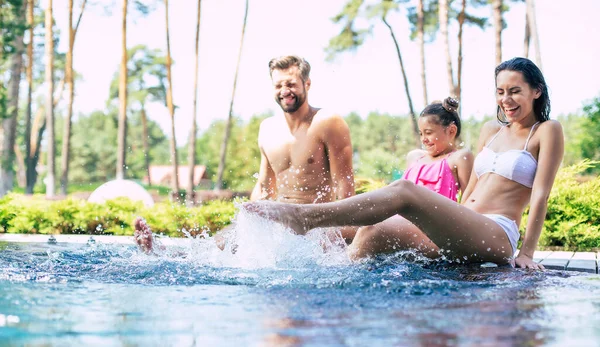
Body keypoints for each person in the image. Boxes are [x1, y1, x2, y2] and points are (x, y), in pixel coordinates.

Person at [243, 57, 564, 270]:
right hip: (467, 224)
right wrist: (452, 221)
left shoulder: (546, 131)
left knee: (405, 192)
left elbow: (540, 195)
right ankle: (333, 284)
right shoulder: (491, 130)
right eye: (500, 92)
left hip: (497, 233)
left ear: (536, 91)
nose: (506, 100)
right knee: (373, 231)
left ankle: (306, 218)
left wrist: (527, 254)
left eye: (515, 92)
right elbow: (473, 192)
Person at [134, 55, 356, 253]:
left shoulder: (327, 122)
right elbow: (264, 187)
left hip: (316, 225)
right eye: (278, 85)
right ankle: (164, 252)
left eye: (291, 84)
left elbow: (344, 188)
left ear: (307, 84)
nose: (284, 91)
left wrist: (334, 236)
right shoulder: (267, 129)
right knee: (218, 244)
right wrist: (248, 220)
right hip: (279, 225)